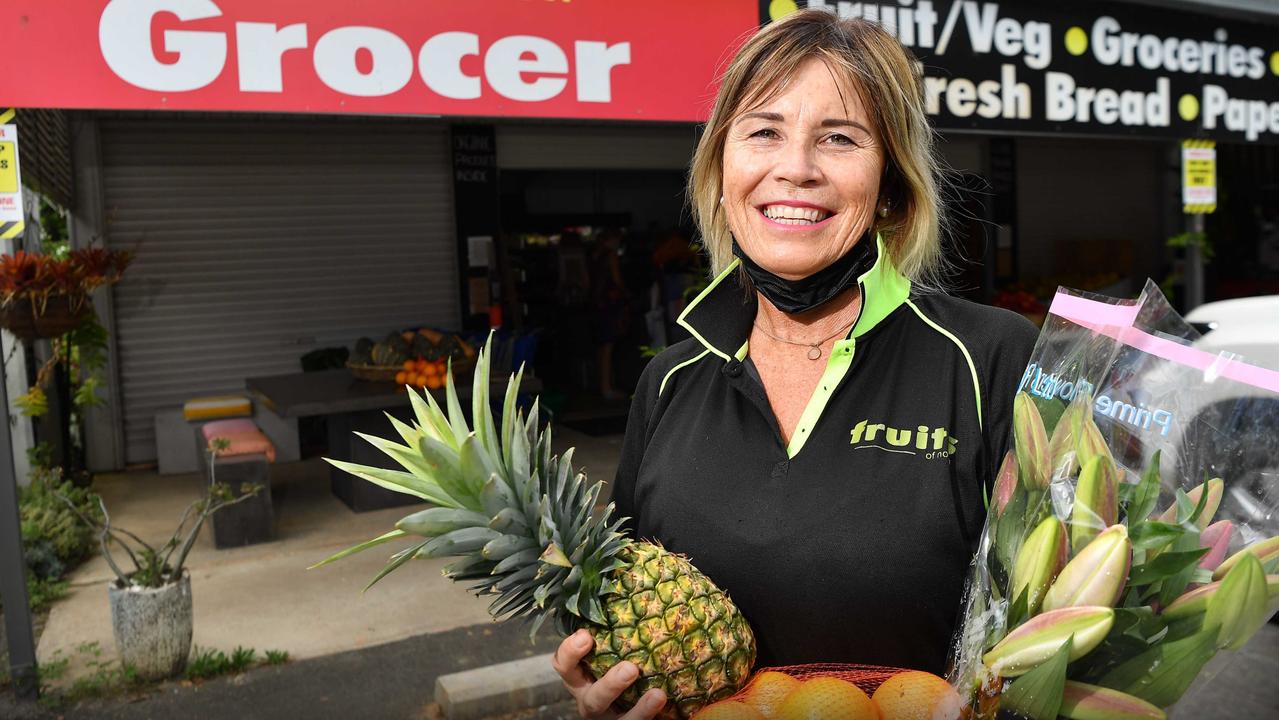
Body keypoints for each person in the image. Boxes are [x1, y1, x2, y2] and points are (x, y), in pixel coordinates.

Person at [553, 10, 1038, 719]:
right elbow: (619, 602)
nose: (795, 168)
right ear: (723, 171)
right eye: (763, 131)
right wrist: (607, 696)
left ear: (891, 187)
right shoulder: (670, 380)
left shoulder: (990, 358)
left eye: (838, 138)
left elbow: (1058, 630)